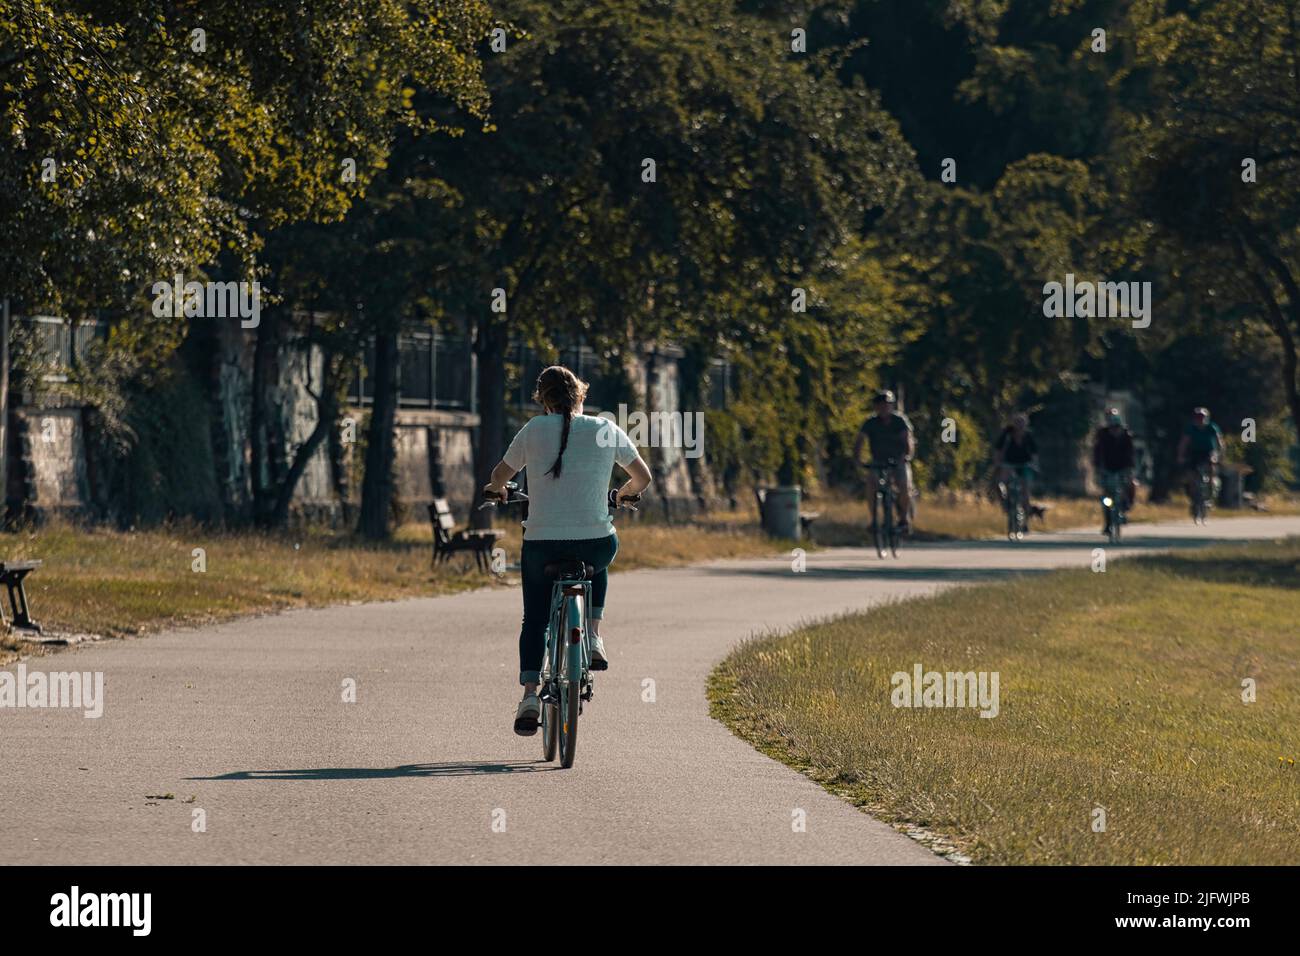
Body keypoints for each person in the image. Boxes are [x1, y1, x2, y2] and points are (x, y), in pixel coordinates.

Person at [483, 366, 652, 736]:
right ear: (581, 395)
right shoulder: (606, 429)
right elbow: (642, 477)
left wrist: (498, 489)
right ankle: (592, 636)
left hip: (542, 544)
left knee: (535, 619)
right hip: (595, 544)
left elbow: (499, 474)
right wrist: (621, 496)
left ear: (542, 398)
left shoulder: (533, 429)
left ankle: (529, 695)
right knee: (598, 548)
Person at [852, 390, 915, 533]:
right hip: (878, 460)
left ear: (891, 406)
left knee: (903, 485)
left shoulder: (899, 421)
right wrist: (857, 459)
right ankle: (874, 520)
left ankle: (904, 519)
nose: (883, 408)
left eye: (886, 405)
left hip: (898, 460)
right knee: (871, 485)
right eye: (880, 405)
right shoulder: (870, 423)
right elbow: (859, 442)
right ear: (875, 407)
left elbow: (908, 441)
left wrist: (906, 456)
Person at [1092, 407, 1136, 531]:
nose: (1115, 430)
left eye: (1117, 427)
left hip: (1123, 468)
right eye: (1112, 427)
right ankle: (1108, 522)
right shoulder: (1102, 435)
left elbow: (1131, 454)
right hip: (1107, 469)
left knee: (1127, 486)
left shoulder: (1127, 436)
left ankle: (1124, 508)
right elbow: (1097, 452)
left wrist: (1130, 468)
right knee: (1106, 497)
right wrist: (1097, 467)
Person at [992, 412, 1039, 514]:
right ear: (1013, 423)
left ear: (1026, 423)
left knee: (1025, 491)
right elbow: (998, 449)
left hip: (1025, 464)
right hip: (1008, 464)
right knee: (999, 483)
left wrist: (1034, 464)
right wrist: (997, 463)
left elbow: (1034, 453)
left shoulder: (1028, 436)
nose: (1020, 425)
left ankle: (1025, 518)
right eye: (1017, 422)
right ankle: (1005, 505)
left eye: (1022, 422)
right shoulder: (1007, 434)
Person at [1176, 406, 1223, 497]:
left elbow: (1219, 442)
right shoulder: (1191, 428)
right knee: (1191, 473)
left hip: (1209, 451)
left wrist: (1219, 454)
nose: (1200, 420)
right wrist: (1180, 456)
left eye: (1202, 418)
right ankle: (1194, 495)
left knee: (1211, 467)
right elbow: (1184, 443)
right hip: (1195, 452)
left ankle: (1211, 490)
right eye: (1198, 418)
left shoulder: (1212, 427)